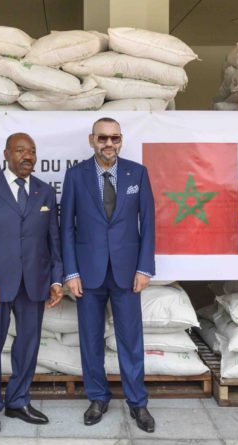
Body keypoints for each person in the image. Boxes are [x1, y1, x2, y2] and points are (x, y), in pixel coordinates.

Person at [60, 117, 156, 433]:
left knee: (130, 339)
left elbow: (148, 223)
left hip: (127, 273)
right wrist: (71, 271)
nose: (109, 144)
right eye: (102, 138)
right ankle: (97, 398)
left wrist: (144, 267)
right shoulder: (76, 176)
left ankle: (137, 402)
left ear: (121, 140)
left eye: (115, 138)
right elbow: (66, 228)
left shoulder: (137, 173)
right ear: (92, 140)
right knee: (91, 339)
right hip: (88, 273)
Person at [0, 132, 65, 437]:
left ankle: (18, 401)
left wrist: (56, 279)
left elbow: (53, 240)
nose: (28, 157)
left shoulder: (44, 192)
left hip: (34, 282)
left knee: (28, 345)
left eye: (32, 151)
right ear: (6, 154)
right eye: (21, 150)